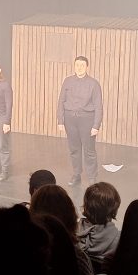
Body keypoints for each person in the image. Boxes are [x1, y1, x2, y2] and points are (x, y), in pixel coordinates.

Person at [57, 56, 103, 186]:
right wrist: (60, 120)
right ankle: (76, 174)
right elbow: (61, 101)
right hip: (70, 120)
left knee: (89, 150)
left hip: (87, 120)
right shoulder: (67, 81)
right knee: (74, 149)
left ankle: (92, 177)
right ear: (74, 66)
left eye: (82, 65)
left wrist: (96, 125)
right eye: (77, 65)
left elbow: (98, 106)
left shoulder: (94, 84)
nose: (79, 67)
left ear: (87, 67)